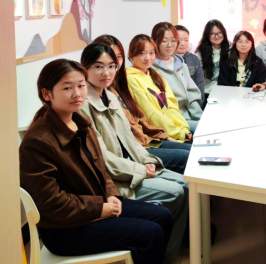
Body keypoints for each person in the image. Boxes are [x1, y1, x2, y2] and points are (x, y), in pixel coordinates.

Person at [20, 59, 172, 264]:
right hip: (64, 229)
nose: (77, 93)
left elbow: (101, 168)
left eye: (81, 85)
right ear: (47, 94)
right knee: (150, 233)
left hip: (94, 206)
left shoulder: (81, 122)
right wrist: (100, 208)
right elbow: (50, 202)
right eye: (67, 88)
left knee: (163, 216)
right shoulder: (38, 141)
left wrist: (111, 195)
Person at [79, 43, 188, 263]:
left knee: (186, 184)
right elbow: (102, 158)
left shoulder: (110, 96)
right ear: (85, 68)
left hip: (133, 165)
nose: (106, 72)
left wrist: (148, 161)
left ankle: (168, 249)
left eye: (111, 65)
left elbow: (130, 140)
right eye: (98, 66)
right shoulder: (83, 106)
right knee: (176, 192)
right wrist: (139, 170)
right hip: (117, 178)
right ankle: (163, 252)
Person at [93, 35, 190, 174]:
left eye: (118, 57)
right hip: (137, 149)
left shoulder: (121, 84)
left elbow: (142, 118)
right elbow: (149, 115)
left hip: (147, 141)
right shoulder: (120, 84)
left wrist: (168, 135)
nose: (115, 63)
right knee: (188, 157)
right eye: (142, 53)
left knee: (192, 151)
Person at [126, 34, 192, 143]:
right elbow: (151, 113)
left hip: (173, 130)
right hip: (157, 134)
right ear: (131, 55)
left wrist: (184, 129)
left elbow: (172, 106)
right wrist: (177, 133)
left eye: (151, 53)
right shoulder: (130, 78)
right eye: (142, 53)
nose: (148, 58)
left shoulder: (156, 75)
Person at [152, 22, 203, 133]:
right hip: (173, 122)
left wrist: (200, 118)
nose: (170, 45)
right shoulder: (151, 69)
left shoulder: (181, 65)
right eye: (164, 41)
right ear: (154, 42)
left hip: (189, 117)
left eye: (173, 40)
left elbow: (192, 95)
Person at [196, 19, 230, 99]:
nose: (216, 36)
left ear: (224, 33)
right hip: (206, 93)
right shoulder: (200, 53)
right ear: (207, 35)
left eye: (219, 33)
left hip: (226, 93)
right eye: (212, 34)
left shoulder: (231, 50)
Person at [174, 25, 205, 101]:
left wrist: (199, 103)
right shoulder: (167, 59)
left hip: (194, 101)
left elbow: (200, 84)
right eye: (179, 40)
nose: (183, 43)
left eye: (186, 40)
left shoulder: (194, 59)